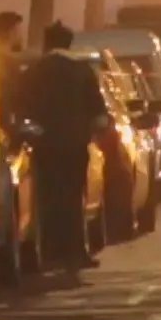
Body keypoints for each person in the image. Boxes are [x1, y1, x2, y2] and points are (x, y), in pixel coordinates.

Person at [23, 21, 110, 270]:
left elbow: (23, 106)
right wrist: (96, 130)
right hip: (75, 143)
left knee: (48, 198)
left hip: (45, 145)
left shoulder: (34, 71)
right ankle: (76, 251)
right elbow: (97, 109)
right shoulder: (81, 71)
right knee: (74, 196)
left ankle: (50, 253)